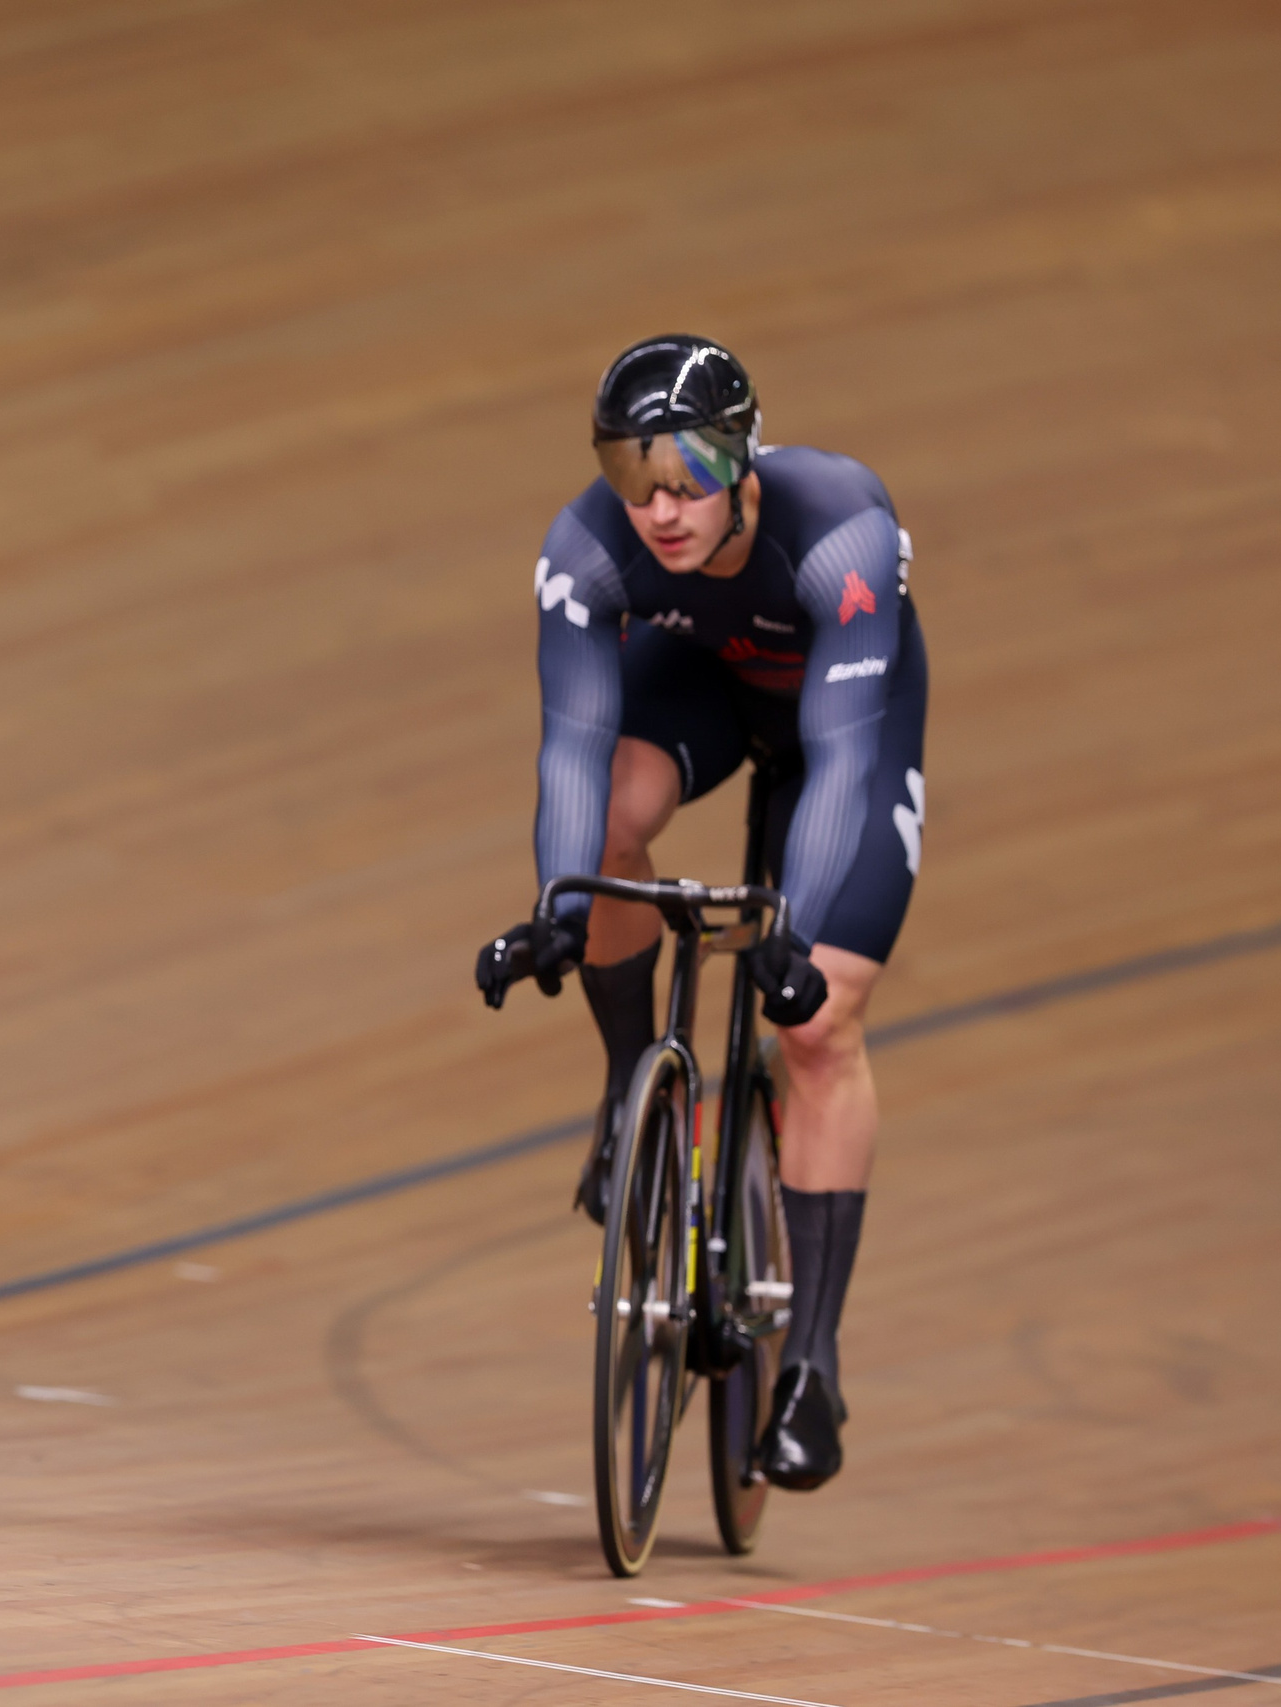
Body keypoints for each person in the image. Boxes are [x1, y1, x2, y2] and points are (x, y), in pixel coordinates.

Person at [474, 335, 927, 1492]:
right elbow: (572, 745)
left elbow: (836, 763)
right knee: (616, 825)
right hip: (705, 690)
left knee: (817, 1026)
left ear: (741, 461)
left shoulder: (841, 532)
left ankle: (811, 1367)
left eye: (684, 480)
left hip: (841, 727)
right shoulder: (585, 550)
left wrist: (794, 939)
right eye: (634, 481)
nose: (659, 511)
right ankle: (634, 1094)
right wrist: (557, 907)